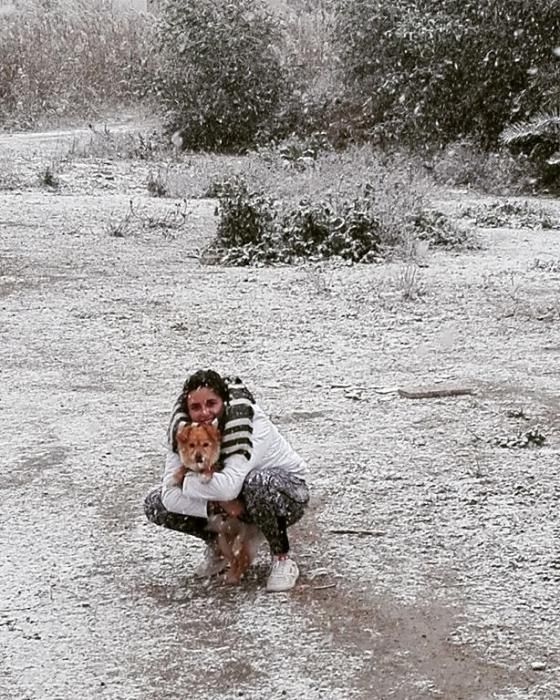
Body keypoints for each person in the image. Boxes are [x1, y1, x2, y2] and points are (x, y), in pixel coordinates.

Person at [144, 369, 310, 592]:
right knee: (156, 504)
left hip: (285, 493)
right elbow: (169, 497)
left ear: (224, 401)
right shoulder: (183, 431)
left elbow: (228, 488)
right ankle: (220, 549)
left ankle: (282, 559)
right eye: (195, 407)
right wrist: (218, 504)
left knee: (257, 483)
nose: (204, 413)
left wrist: (184, 482)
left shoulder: (248, 421)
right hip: (234, 501)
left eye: (211, 404)